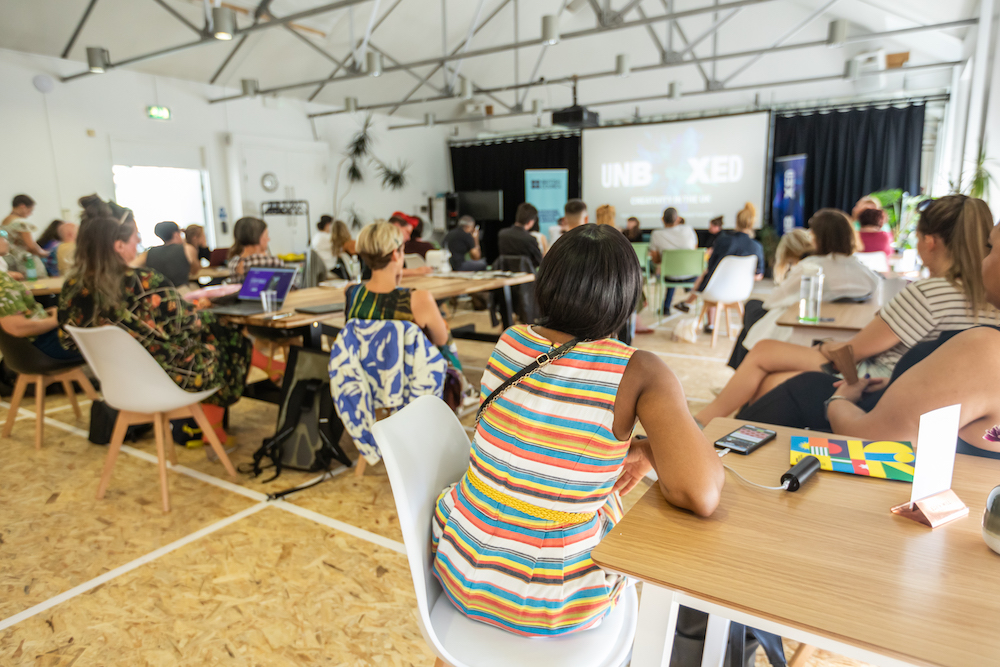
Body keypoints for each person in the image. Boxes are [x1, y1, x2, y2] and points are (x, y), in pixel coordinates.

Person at [430, 224, 723, 637]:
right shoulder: (640, 371)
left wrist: (638, 448)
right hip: (552, 595)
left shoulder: (510, 340)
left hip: (460, 557)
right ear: (627, 295)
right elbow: (701, 494)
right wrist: (649, 450)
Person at [695, 195, 997, 426]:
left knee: (765, 361)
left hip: (876, 384)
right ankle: (716, 425)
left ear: (929, 242)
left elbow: (853, 353)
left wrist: (826, 346)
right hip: (930, 398)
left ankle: (707, 423)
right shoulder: (990, 301)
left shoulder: (927, 294)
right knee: (768, 366)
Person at [738, 216, 1000, 459]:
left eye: (990, 249)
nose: (983, 260)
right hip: (886, 396)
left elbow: (873, 439)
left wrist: (839, 399)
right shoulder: (982, 338)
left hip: (876, 442)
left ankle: (724, 440)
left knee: (780, 375)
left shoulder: (983, 347)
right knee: (779, 375)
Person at [59, 195, 252, 445]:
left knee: (214, 339)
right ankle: (213, 428)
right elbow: (189, 324)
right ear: (118, 245)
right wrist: (201, 311)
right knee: (232, 342)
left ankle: (211, 429)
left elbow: (68, 342)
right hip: (169, 380)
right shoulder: (144, 281)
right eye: (135, 237)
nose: (138, 242)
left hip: (117, 385)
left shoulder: (72, 287)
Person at [347, 221, 450, 352]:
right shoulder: (419, 299)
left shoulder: (352, 292)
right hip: (408, 364)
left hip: (363, 364)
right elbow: (441, 340)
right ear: (395, 254)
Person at [727, 227, 817, 369]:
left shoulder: (801, 270)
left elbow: (771, 302)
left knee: (752, 308)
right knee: (751, 320)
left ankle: (739, 371)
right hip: (797, 317)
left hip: (791, 320)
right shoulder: (814, 266)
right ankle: (740, 370)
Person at [675, 203, 764, 320]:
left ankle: (702, 316)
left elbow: (711, 267)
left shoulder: (723, 241)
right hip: (740, 291)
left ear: (736, 222)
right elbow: (758, 276)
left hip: (716, 289)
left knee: (707, 276)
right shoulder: (757, 247)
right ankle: (693, 308)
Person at [0, 232, 80, 361]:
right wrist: (58, 319)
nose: (6, 241)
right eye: (2, 237)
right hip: (40, 346)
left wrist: (47, 314)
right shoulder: (2, 282)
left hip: (32, 345)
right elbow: (17, 328)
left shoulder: (4, 279)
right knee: (99, 341)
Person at [649, 207, 699, 313]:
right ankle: (682, 299)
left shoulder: (656, 234)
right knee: (676, 269)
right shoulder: (689, 230)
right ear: (678, 219)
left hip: (669, 276)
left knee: (670, 271)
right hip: (691, 275)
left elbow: (656, 260)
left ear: (662, 219)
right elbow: (694, 250)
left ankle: (666, 307)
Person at [226, 217, 283, 283]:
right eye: (266, 235)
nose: (268, 239)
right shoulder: (273, 261)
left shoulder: (233, 262)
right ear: (258, 237)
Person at [141, 221, 197, 289]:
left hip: (159, 292)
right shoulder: (187, 249)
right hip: (180, 290)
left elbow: (132, 265)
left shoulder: (149, 252)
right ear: (176, 234)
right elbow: (195, 271)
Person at [2, 194, 48, 276]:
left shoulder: (4, 222)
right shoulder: (21, 223)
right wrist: (43, 253)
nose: (30, 214)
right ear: (22, 206)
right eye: (30, 210)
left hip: (9, 261)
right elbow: (30, 246)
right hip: (26, 262)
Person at [497, 202, 543, 269]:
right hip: (527, 273)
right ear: (531, 222)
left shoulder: (502, 234)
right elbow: (539, 261)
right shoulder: (530, 239)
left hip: (505, 272)